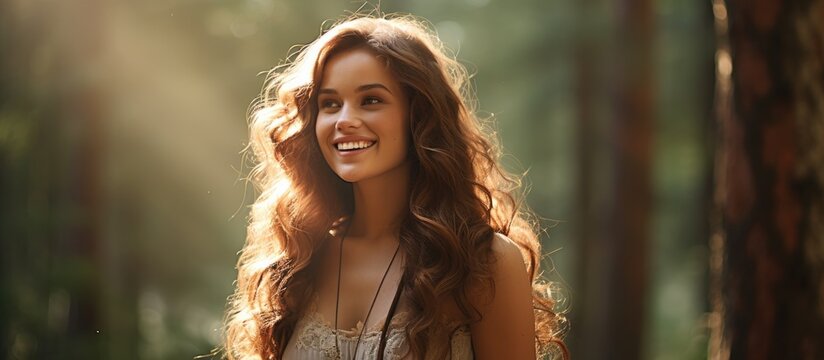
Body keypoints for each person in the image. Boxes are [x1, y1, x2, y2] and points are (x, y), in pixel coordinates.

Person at [224, 14, 568, 360]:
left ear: (419, 116)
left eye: (371, 100)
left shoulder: (483, 263)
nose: (344, 120)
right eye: (329, 104)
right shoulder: (297, 261)